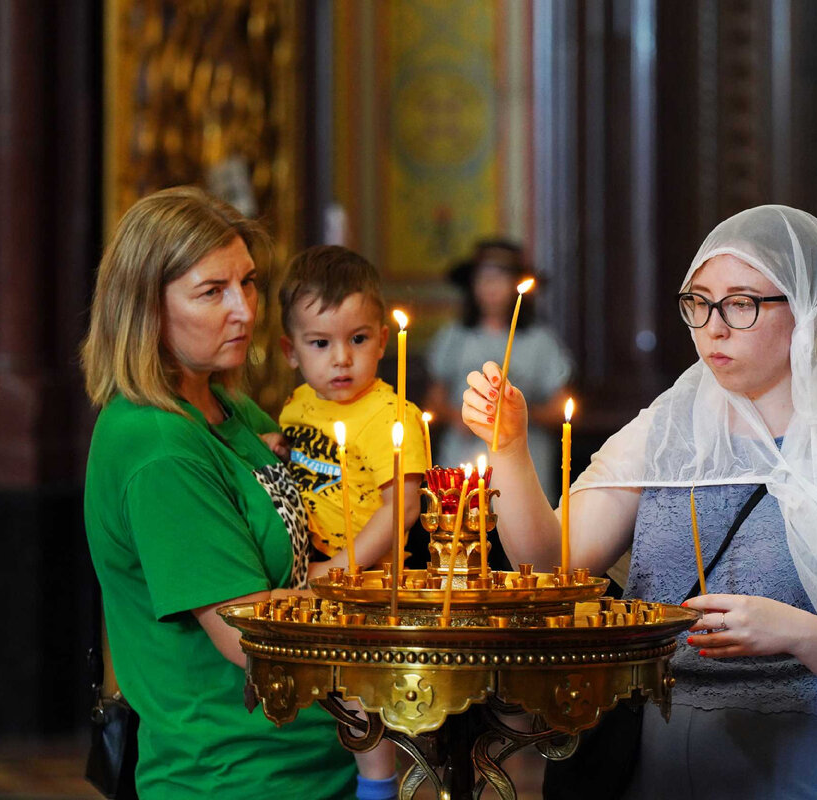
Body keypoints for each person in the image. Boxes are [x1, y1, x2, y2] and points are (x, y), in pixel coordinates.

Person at [459, 206, 817, 798]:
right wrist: (509, 449)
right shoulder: (665, 431)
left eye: (741, 304)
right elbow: (552, 566)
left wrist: (797, 634)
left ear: (809, 312)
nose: (713, 327)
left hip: (806, 763)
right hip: (658, 759)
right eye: (698, 303)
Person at [81, 187, 358, 798]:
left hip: (313, 754)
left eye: (249, 283)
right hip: (237, 773)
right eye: (213, 292)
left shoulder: (221, 403)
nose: (245, 310)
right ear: (145, 308)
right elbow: (248, 633)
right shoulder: (157, 443)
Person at [276, 245, 429, 800]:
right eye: (321, 344)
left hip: (369, 580)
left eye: (358, 340)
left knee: (367, 684)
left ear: (382, 341)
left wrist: (345, 563)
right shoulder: (297, 407)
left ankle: (379, 787)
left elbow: (403, 507)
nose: (341, 359)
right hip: (313, 574)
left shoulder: (391, 418)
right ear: (291, 351)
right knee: (328, 691)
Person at [425, 239, 572, 497]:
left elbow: (562, 408)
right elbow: (433, 400)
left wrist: (517, 416)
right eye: (483, 278)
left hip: (526, 461)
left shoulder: (541, 341)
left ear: (516, 285)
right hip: (462, 459)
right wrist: (457, 416)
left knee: (520, 529)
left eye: (500, 278)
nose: (490, 287)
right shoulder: (454, 336)